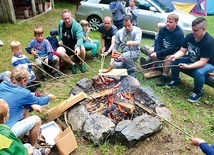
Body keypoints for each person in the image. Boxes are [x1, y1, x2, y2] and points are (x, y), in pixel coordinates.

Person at [0, 66, 56, 146]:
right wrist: (49, 98)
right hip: (6, 131)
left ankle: (26, 135)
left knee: (25, 108)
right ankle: (34, 147)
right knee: (37, 120)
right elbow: (39, 101)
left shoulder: (3, 84)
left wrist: (31, 104)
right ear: (23, 80)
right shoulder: (23, 93)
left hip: (2, 118)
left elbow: (17, 100)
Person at [167, 17, 214, 102]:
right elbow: (182, 51)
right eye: (192, 29)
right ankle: (175, 79)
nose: (193, 32)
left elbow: (202, 62)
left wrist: (188, 67)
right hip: (192, 58)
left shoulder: (209, 42)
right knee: (175, 61)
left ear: (204, 29)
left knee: (198, 72)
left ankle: (197, 92)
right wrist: (175, 56)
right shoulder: (190, 36)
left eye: (195, 30)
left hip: (208, 63)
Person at [149, 13, 184, 86]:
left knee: (167, 58)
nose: (168, 23)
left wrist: (158, 53)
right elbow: (158, 42)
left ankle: (164, 76)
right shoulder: (163, 29)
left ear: (176, 23)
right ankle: (159, 66)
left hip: (174, 53)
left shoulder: (179, 34)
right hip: (163, 49)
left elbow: (172, 49)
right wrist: (156, 52)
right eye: (167, 21)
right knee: (151, 51)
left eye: (170, 22)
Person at [57, 9, 86, 74]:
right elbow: (60, 34)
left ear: (71, 17)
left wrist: (78, 46)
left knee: (82, 48)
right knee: (59, 51)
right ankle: (73, 64)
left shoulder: (77, 26)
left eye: (68, 18)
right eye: (65, 19)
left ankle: (81, 63)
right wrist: (60, 40)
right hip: (65, 45)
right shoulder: (61, 24)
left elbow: (80, 38)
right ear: (62, 19)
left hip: (74, 45)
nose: (67, 21)